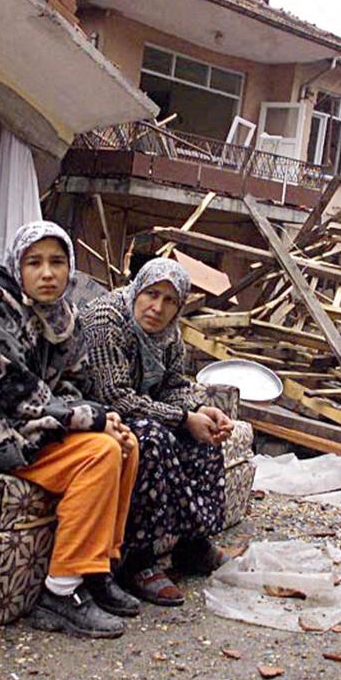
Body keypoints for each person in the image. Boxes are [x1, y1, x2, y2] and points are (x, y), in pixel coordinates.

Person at [0, 222, 141, 638]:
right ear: (16, 266)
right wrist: (88, 418)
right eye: (34, 262)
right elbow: (9, 389)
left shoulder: (64, 316)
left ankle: (96, 570)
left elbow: (76, 384)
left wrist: (94, 415)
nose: (47, 273)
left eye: (57, 262)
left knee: (124, 442)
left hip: (24, 422)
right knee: (100, 452)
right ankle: (59, 592)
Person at [80, 258, 232, 606]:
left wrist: (198, 410)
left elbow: (175, 384)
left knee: (203, 439)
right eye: (151, 294)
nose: (157, 307)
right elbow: (114, 396)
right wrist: (182, 418)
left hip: (143, 409)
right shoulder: (107, 320)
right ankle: (138, 559)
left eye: (169, 301)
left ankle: (193, 544)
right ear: (138, 289)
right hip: (99, 415)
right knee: (150, 439)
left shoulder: (169, 333)